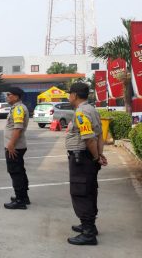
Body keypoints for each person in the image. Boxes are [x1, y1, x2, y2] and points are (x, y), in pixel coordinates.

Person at [66, 82, 107, 245]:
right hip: (88, 157)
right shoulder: (92, 110)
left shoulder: (81, 112)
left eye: (70, 94)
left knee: (80, 192)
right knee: (89, 190)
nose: (69, 97)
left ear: (75, 95)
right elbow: (100, 135)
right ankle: (88, 225)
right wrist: (99, 154)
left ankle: (89, 234)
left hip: (81, 159)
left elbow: (89, 139)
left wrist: (96, 157)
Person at [3, 87, 30, 210]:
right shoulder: (16, 108)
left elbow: (18, 128)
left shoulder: (18, 109)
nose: (7, 97)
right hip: (16, 146)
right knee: (20, 171)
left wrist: (11, 144)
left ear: (17, 97)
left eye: (9, 94)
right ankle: (23, 196)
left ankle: (20, 201)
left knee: (15, 173)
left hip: (15, 147)